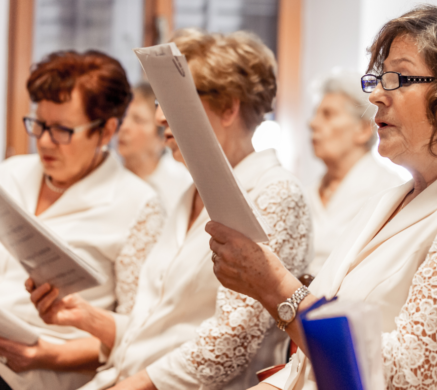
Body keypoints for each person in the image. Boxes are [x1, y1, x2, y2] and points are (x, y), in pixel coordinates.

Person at [206, 4, 437, 390]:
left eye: (398, 77)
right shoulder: (389, 200)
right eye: (379, 78)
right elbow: (306, 361)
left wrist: (274, 286)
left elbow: (406, 375)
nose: (377, 96)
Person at [28, 29, 313, 390]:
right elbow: (159, 326)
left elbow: (230, 342)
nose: (160, 117)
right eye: (159, 102)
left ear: (228, 107)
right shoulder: (189, 194)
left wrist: (126, 387)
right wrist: (87, 318)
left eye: (175, 100)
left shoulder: (275, 194)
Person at [0, 51, 163, 390]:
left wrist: (46, 356)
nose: (44, 141)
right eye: (39, 124)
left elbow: (139, 334)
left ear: (106, 131)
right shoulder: (10, 176)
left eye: (61, 130)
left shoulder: (138, 206)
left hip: (40, 374)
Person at [307, 69, 403, 275]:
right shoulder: (308, 191)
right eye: (316, 114)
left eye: (328, 114)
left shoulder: (389, 192)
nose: (312, 123)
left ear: (362, 129)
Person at [118, 83, 192, 214]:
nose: (124, 127)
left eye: (138, 120)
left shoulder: (182, 183)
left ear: (162, 137)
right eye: (123, 117)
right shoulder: (106, 175)